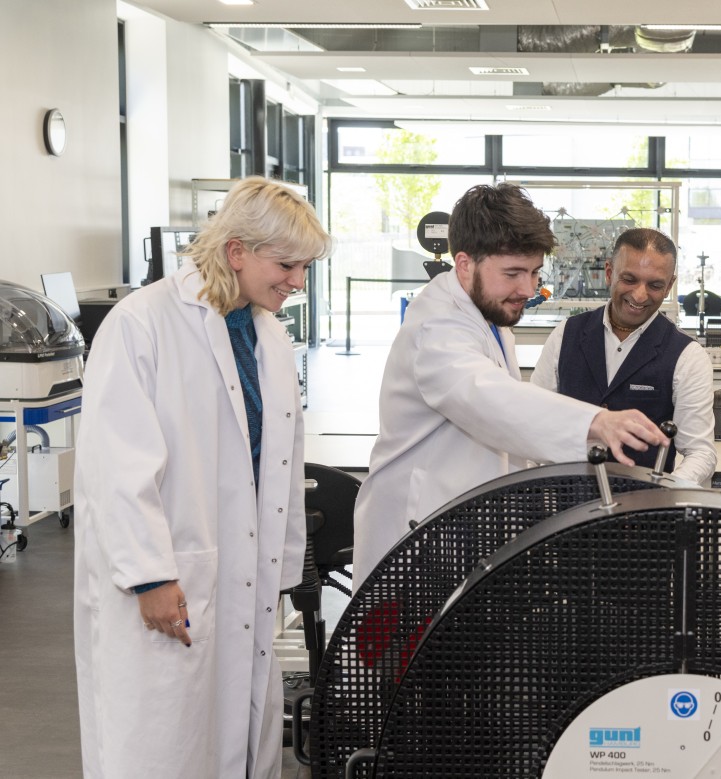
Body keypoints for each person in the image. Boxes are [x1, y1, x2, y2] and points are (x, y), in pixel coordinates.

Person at [73, 177, 331, 779]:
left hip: (243, 574)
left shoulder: (265, 333)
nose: (298, 281)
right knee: (164, 743)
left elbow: (277, 462)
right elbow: (116, 465)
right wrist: (151, 576)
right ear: (237, 251)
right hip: (169, 577)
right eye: (287, 265)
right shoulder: (143, 324)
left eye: (305, 267)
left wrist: (284, 562)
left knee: (238, 736)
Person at [352, 183, 668, 585]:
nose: (528, 289)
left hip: (463, 531)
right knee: (407, 649)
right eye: (513, 273)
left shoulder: (485, 314)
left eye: (535, 272)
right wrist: (595, 422)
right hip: (416, 542)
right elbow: (485, 395)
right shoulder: (436, 327)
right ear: (464, 263)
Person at [530, 227, 716, 484]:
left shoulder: (687, 356)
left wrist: (665, 493)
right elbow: (533, 422)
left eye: (655, 285)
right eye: (629, 279)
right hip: (567, 507)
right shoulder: (566, 335)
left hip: (643, 512)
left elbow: (700, 452)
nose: (639, 295)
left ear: (670, 285)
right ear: (609, 272)